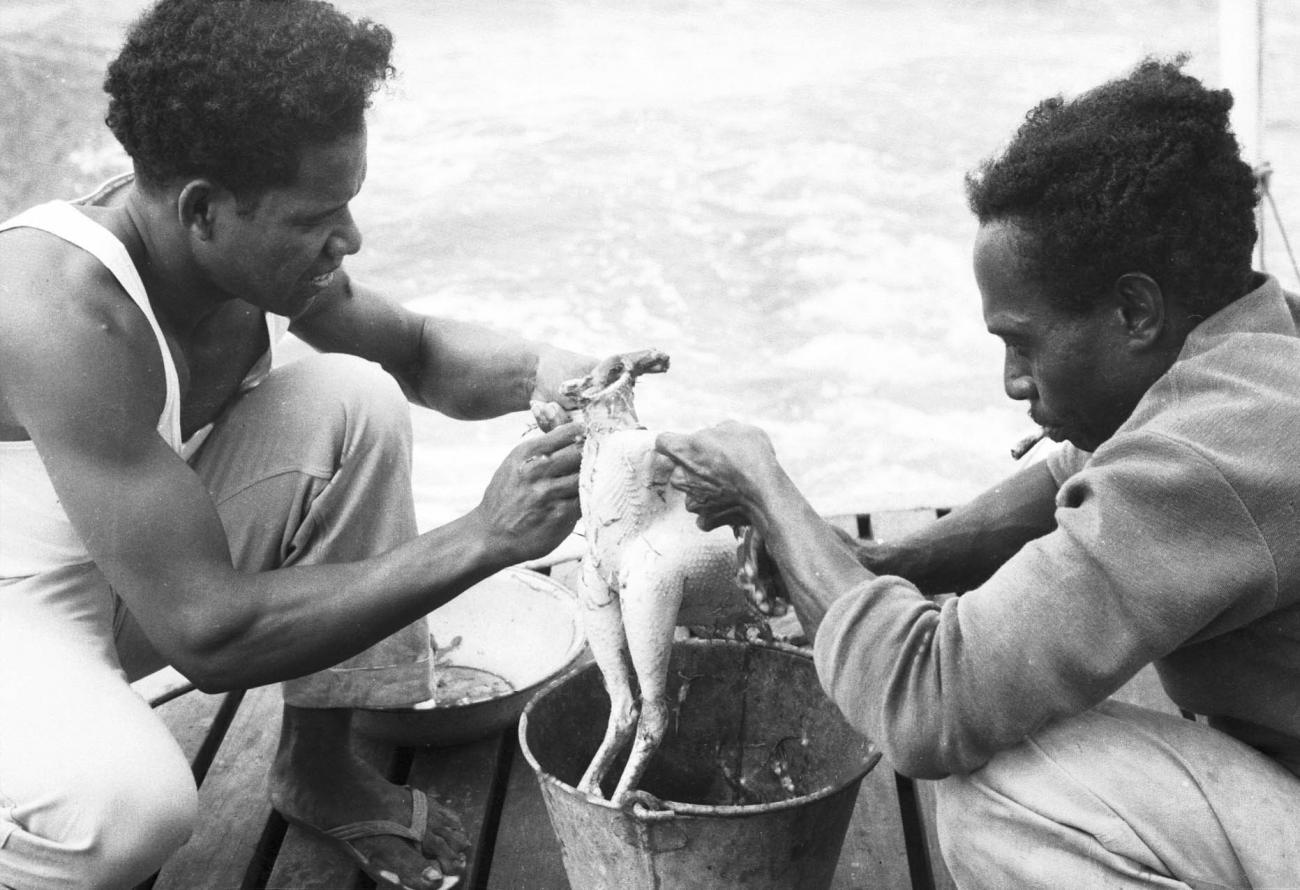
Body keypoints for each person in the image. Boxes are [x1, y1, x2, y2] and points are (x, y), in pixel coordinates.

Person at [656, 58, 1300, 888]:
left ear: (1135, 311)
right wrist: (893, 567)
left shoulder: (1213, 455)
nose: (1013, 383)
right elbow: (1079, 471)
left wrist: (763, 489)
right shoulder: (1258, 346)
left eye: (1022, 342)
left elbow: (930, 703)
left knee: (1004, 793)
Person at [0, 1, 596, 888]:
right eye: (323, 214)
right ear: (205, 209)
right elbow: (208, 634)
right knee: (130, 815)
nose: (349, 240)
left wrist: (569, 381)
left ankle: (317, 769)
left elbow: (421, 355)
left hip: (124, 568)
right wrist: (486, 535)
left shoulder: (236, 253)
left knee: (351, 399)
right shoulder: (59, 312)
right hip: (25, 601)